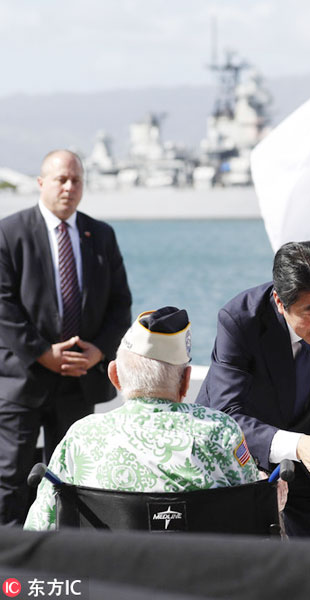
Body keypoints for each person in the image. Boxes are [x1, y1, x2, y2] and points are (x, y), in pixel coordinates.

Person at [196, 240, 310, 537]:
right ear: (280, 302)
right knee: (252, 546)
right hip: (243, 443)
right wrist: (296, 445)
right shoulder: (240, 321)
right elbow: (227, 413)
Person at [24, 307, 258, 530]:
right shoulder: (220, 430)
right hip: (202, 569)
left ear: (115, 375)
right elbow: (253, 506)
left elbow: (41, 524)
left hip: (106, 569)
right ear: (186, 381)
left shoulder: (82, 436)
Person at [0, 150, 132, 526]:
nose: (69, 187)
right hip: (21, 381)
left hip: (79, 380)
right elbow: (3, 304)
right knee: (10, 478)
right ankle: (9, 561)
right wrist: (42, 352)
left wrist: (99, 352)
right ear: (41, 183)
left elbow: (120, 302)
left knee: (71, 480)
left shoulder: (100, 235)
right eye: (61, 179)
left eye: (76, 180)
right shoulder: (10, 233)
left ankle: (64, 557)